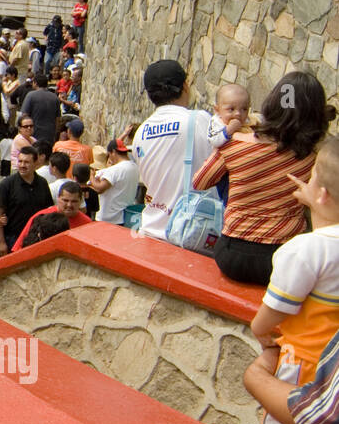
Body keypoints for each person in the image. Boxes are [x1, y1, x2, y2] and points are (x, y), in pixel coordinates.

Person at [215, 137, 339, 424]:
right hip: (334, 366)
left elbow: (273, 312)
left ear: (320, 192)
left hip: (302, 356)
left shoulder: (304, 250)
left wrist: (261, 332)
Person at [192, 72, 335, 285]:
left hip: (232, 256)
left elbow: (200, 182)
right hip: (283, 259)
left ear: (272, 104)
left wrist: (225, 145)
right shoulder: (315, 156)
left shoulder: (235, 144)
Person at [132, 59, 214, 242]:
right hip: (190, 234)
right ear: (185, 86)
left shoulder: (140, 133)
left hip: (150, 231)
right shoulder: (200, 120)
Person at [0, 146, 54, 247]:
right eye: (20, 161)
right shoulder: (6, 184)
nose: (22, 165)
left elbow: (48, 210)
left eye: (27, 162)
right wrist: (1, 242)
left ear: (35, 164)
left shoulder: (42, 183)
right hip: (13, 239)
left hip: (37, 238)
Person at [11, 182, 91, 251]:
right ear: (58, 198)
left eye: (74, 201)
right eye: (65, 200)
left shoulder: (88, 224)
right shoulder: (41, 217)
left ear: (80, 201)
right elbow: (19, 249)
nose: (69, 205)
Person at [89, 137, 140, 225]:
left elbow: (99, 189)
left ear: (113, 152)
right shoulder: (135, 167)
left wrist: (92, 177)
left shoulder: (114, 170)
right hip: (125, 217)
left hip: (108, 219)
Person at [20, 72, 61, 145]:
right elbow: (58, 119)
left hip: (34, 134)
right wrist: (55, 133)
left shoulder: (31, 95)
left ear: (35, 83)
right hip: (49, 134)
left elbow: (24, 115)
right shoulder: (55, 97)